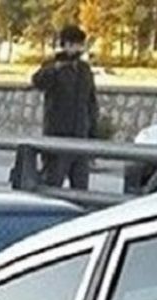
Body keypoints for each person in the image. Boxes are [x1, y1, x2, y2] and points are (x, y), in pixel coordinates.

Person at [32, 24, 99, 190]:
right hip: (58, 135)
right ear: (67, 44)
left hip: (80, 137)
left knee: (81, 187)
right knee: (53, 183)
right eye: (77, 44)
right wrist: (55, 69)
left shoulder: (84, 69)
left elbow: (91, 101)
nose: (80, 48)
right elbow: (37, 81)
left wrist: (92, 132)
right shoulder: (52, 65)